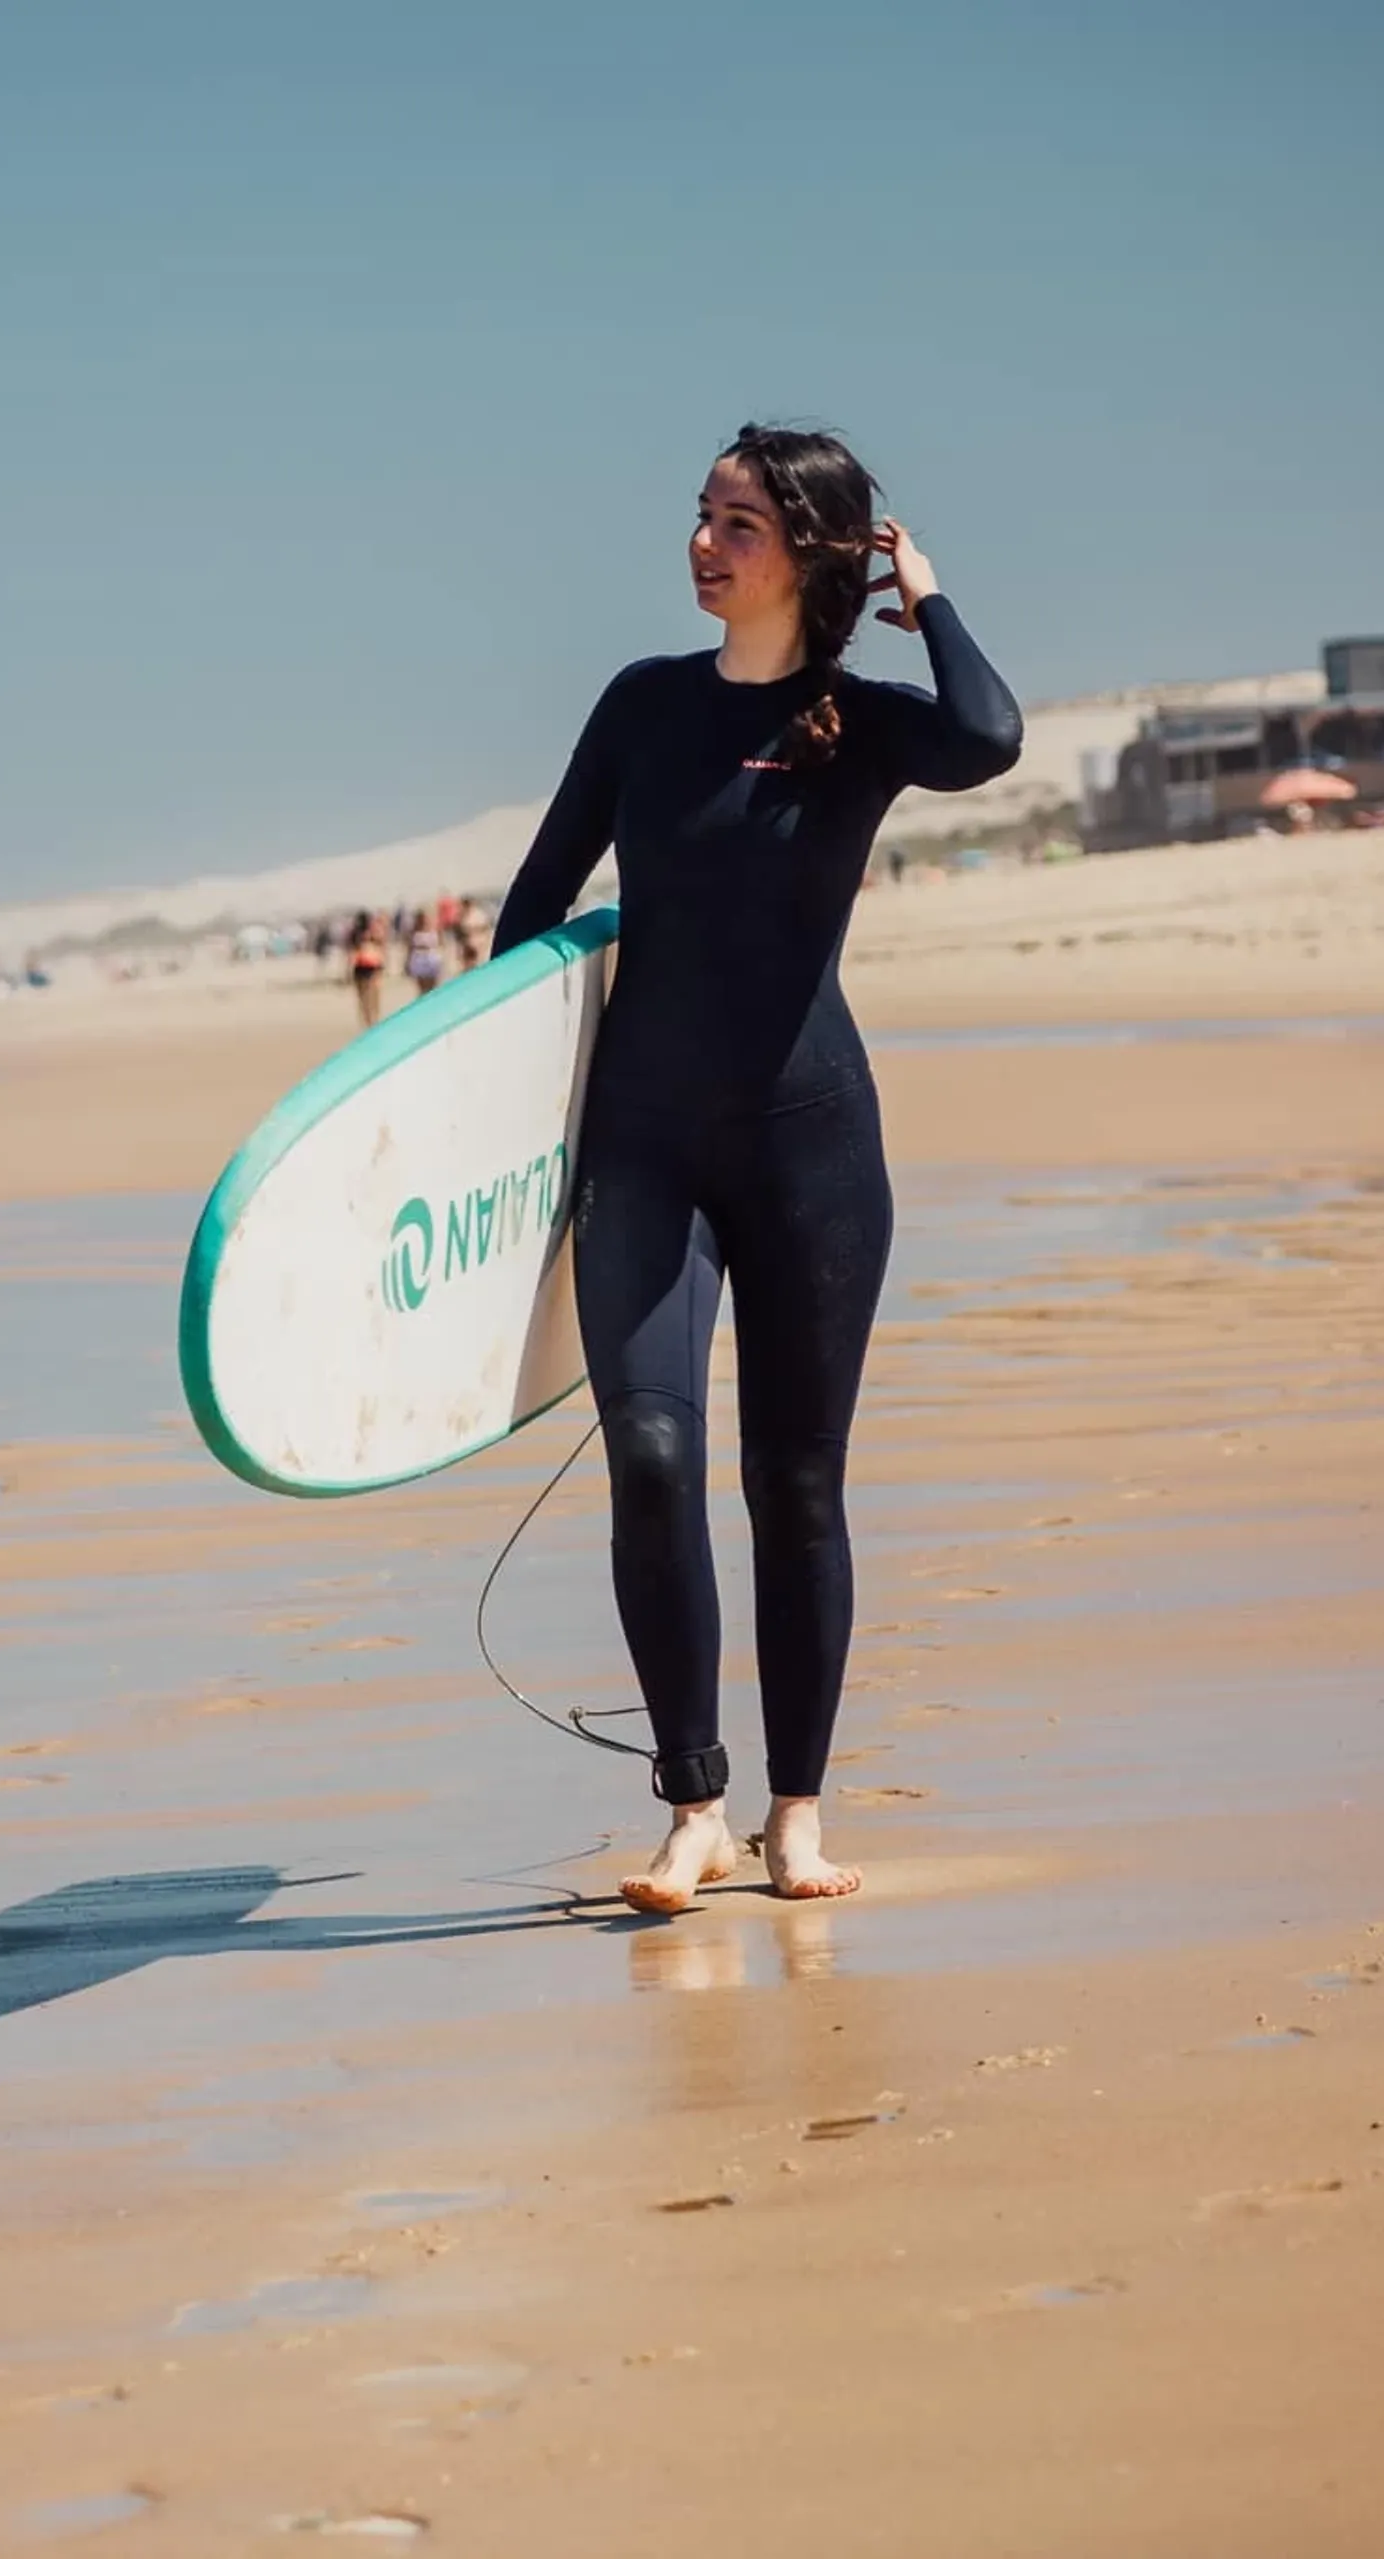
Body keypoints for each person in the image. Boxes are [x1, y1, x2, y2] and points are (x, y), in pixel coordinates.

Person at [491, 424, 1021, 1915]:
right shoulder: (643, 708)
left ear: (811, 552)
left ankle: (795, 1814)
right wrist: (489, 1127)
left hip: (812, 1154)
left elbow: (988, 735)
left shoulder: (860, 722)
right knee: (653, 1460)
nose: (704, 542)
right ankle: (692, 1808)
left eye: (740, 522)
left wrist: (928, 591)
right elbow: (537, 907)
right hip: (644, 1146)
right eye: (702, 513)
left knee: (797, 1486)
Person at [347, 910, 389, 1026]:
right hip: (363, 965)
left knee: (372, 996)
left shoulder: (374, 932)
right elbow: (351, 951)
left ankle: (373, 1020)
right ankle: (369, 1021)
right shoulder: (356, 934)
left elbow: (382, 946)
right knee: (365, 997)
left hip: (371, 965)